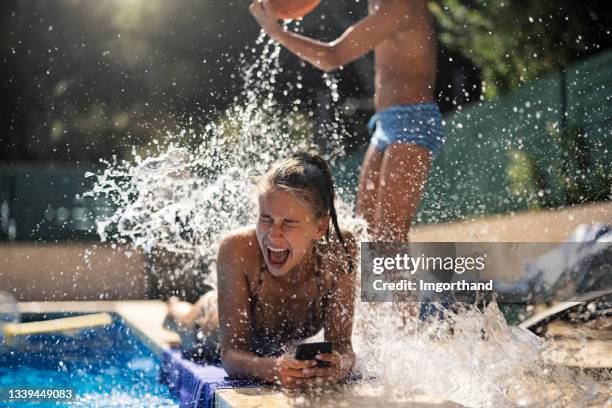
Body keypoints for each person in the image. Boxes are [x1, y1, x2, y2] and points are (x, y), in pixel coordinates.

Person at [250, 0, 443, 241]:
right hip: (385, 123)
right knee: (365, 230)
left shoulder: (400, 5)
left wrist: (276, 32)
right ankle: (376, 280)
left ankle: (399, 279)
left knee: (390, 236)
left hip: (413, 123)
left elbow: (333, 56)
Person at [166, 152, 357, 388]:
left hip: (268, 346)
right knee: (183, 322)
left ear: (320, 226)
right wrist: (272, 369)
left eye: (289, 223)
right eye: (265, 218)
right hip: (209, 324)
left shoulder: (340, 250)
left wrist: (339, 365)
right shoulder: (236, 248)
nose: (273, 234)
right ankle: (174, 308)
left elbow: (343, 347)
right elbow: (231, 355)